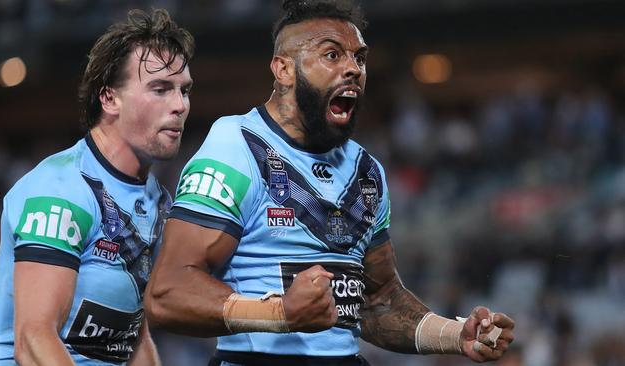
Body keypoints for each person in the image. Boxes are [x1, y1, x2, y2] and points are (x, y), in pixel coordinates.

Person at [145, 1, 514, 365]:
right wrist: (280, 313)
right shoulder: (236, 146)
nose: (353, 69)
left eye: (360, 58)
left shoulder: (366, 171)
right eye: (332, 55)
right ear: (284, 69)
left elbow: (378, 299)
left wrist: (454, 334)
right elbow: (167, 293)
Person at [0, 8, 194, 366]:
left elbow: (131, 335)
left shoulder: (156, 199)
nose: (179, 105)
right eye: (160, 89)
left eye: (184, 90)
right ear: (109, 98)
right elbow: (33, 339)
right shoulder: (59, 189)